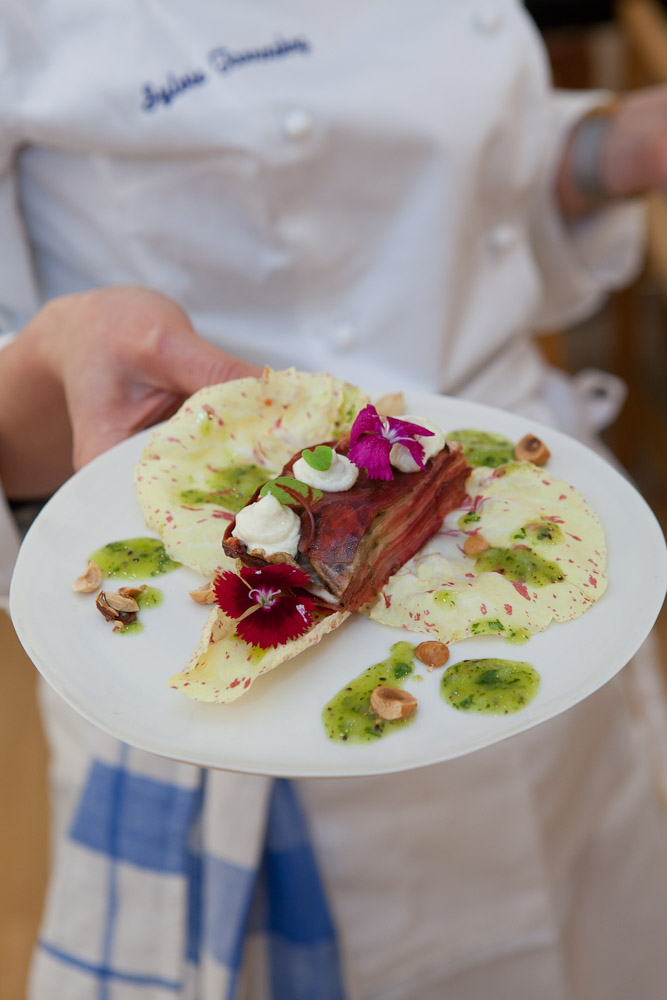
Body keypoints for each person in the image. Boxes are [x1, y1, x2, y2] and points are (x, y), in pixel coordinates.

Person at [2, 2, 667, 997]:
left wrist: (602, 153)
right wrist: (50, 364)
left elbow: (452, 192)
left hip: (533, 584)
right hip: (277, 719)